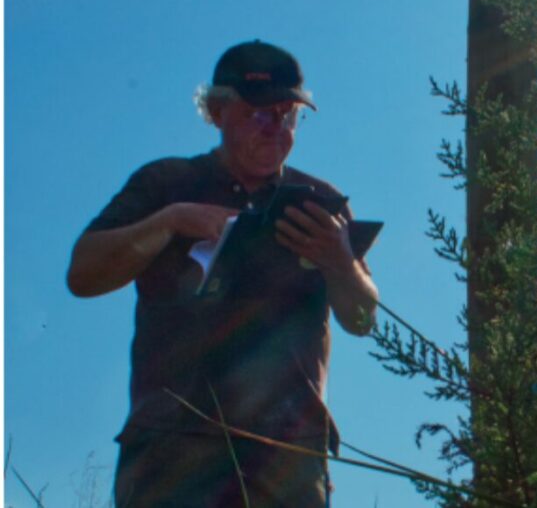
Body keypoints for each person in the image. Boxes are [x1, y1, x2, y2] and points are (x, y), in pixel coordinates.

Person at [67, 40, 379, 507]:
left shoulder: (319, 201)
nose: (277, 128)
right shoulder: (167, 183)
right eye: (259, 113)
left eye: (288, 114)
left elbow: (361, 319)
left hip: (287, 449)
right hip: (174, 444)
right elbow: (83, 274)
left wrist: (341, 260)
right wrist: (168, 222)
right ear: (217, 111)